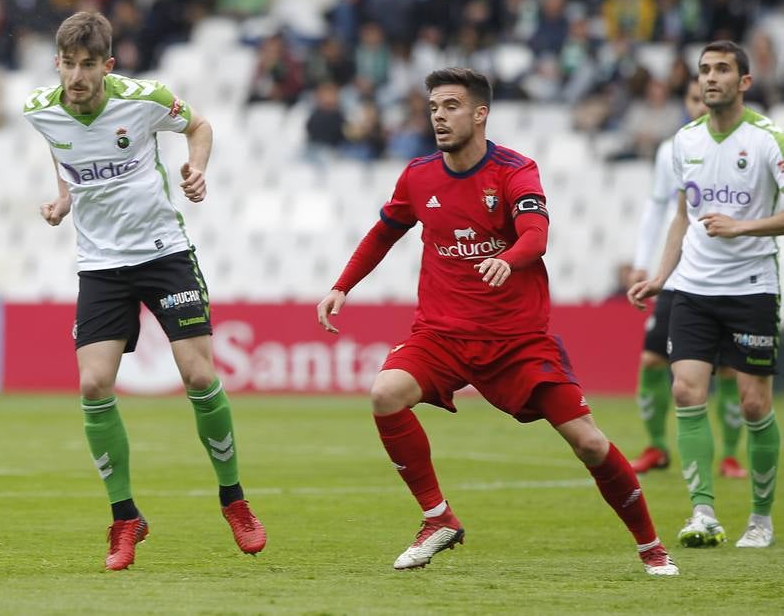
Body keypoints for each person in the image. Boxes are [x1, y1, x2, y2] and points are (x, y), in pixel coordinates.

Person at [317, 67, 678, 577]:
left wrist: (509, 258)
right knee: (384, 393)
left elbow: (536, 235)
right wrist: (341, 285)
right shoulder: (419, 175)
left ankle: (651, 547)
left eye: (451, 106)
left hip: (517, 341)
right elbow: (384, 233)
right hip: (441, 334)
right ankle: (437, 519)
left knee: (590, 443)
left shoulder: (514, 170)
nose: (439, 117)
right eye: (434, 107)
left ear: (480, 113)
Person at [22, 11, 266, 571]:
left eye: (88, 65)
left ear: (108, 66)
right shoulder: (39, 109)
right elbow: (64, 152)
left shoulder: (145, 98)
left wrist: (196, 168)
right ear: (56, 63)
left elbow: (199, 126)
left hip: (163, 254)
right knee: (93, 384)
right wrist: (63, 198)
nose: (77, 76)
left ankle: (234, 500)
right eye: (68, 64)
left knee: (200, 375)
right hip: (101, 265)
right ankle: (125, 516)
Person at [628, 41, 782, 550]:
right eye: (704, 71)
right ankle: (703, 513)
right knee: (685, 391)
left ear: (744, 81)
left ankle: (760, 520)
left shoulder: (768, 140)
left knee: (755, 404)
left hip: (752, 289)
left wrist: (743, 228)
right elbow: (681, 217)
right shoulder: (684, 141)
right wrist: (659, 275)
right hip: (691, 288)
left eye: (721, 70)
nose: (710, 78)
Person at [627, 81, 746, 478]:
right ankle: (656, 446)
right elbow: (658, 209)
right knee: (651, 359)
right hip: (678, 274)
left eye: (704, 98)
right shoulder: (673, 149)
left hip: (727, 274)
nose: (699, 105)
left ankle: (730, 455)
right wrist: (644, 264)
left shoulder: (746, 144)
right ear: (686, 101)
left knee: (728, 369)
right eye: (693, 98)